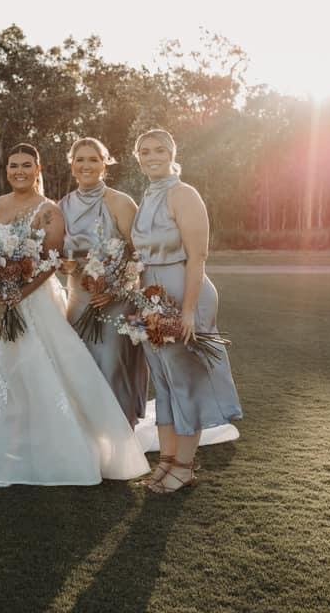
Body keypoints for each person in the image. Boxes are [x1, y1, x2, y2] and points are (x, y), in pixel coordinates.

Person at [0, 143, 149, 487]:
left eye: (26, 165)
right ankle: (2, 445)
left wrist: (18, 293)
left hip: (30, 304)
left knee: (33, 371)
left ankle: (45, 446)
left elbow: (50, 261)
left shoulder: (49, 211)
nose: (18, 170)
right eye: (13, 165)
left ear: (38, 169)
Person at [130, 129, 242, 494]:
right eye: (144, 151)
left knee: (185, 383)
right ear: (137, 157)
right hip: (152, 297)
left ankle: (185, 467)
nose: (152, 156)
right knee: (162, 382)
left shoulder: (184, 194)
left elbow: (199, 257)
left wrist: (190, 311)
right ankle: (165, 461)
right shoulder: (147, 196)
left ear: (172, 152)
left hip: (185, 293)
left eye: (159, 149)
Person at [59, 137, 148, 426]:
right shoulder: (61, 206)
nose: (86, 165)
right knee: (78, 365)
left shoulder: (121, 202)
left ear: (104, 164)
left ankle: (121, 436)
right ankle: (86, 435)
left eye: (93, 159)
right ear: (72, 165)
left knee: (111, 364)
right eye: (80, 159)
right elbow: (58, 255)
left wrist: (118, 289)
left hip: (116, 301)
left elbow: (140, 256)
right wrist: (65, 265)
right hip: (78, 299)